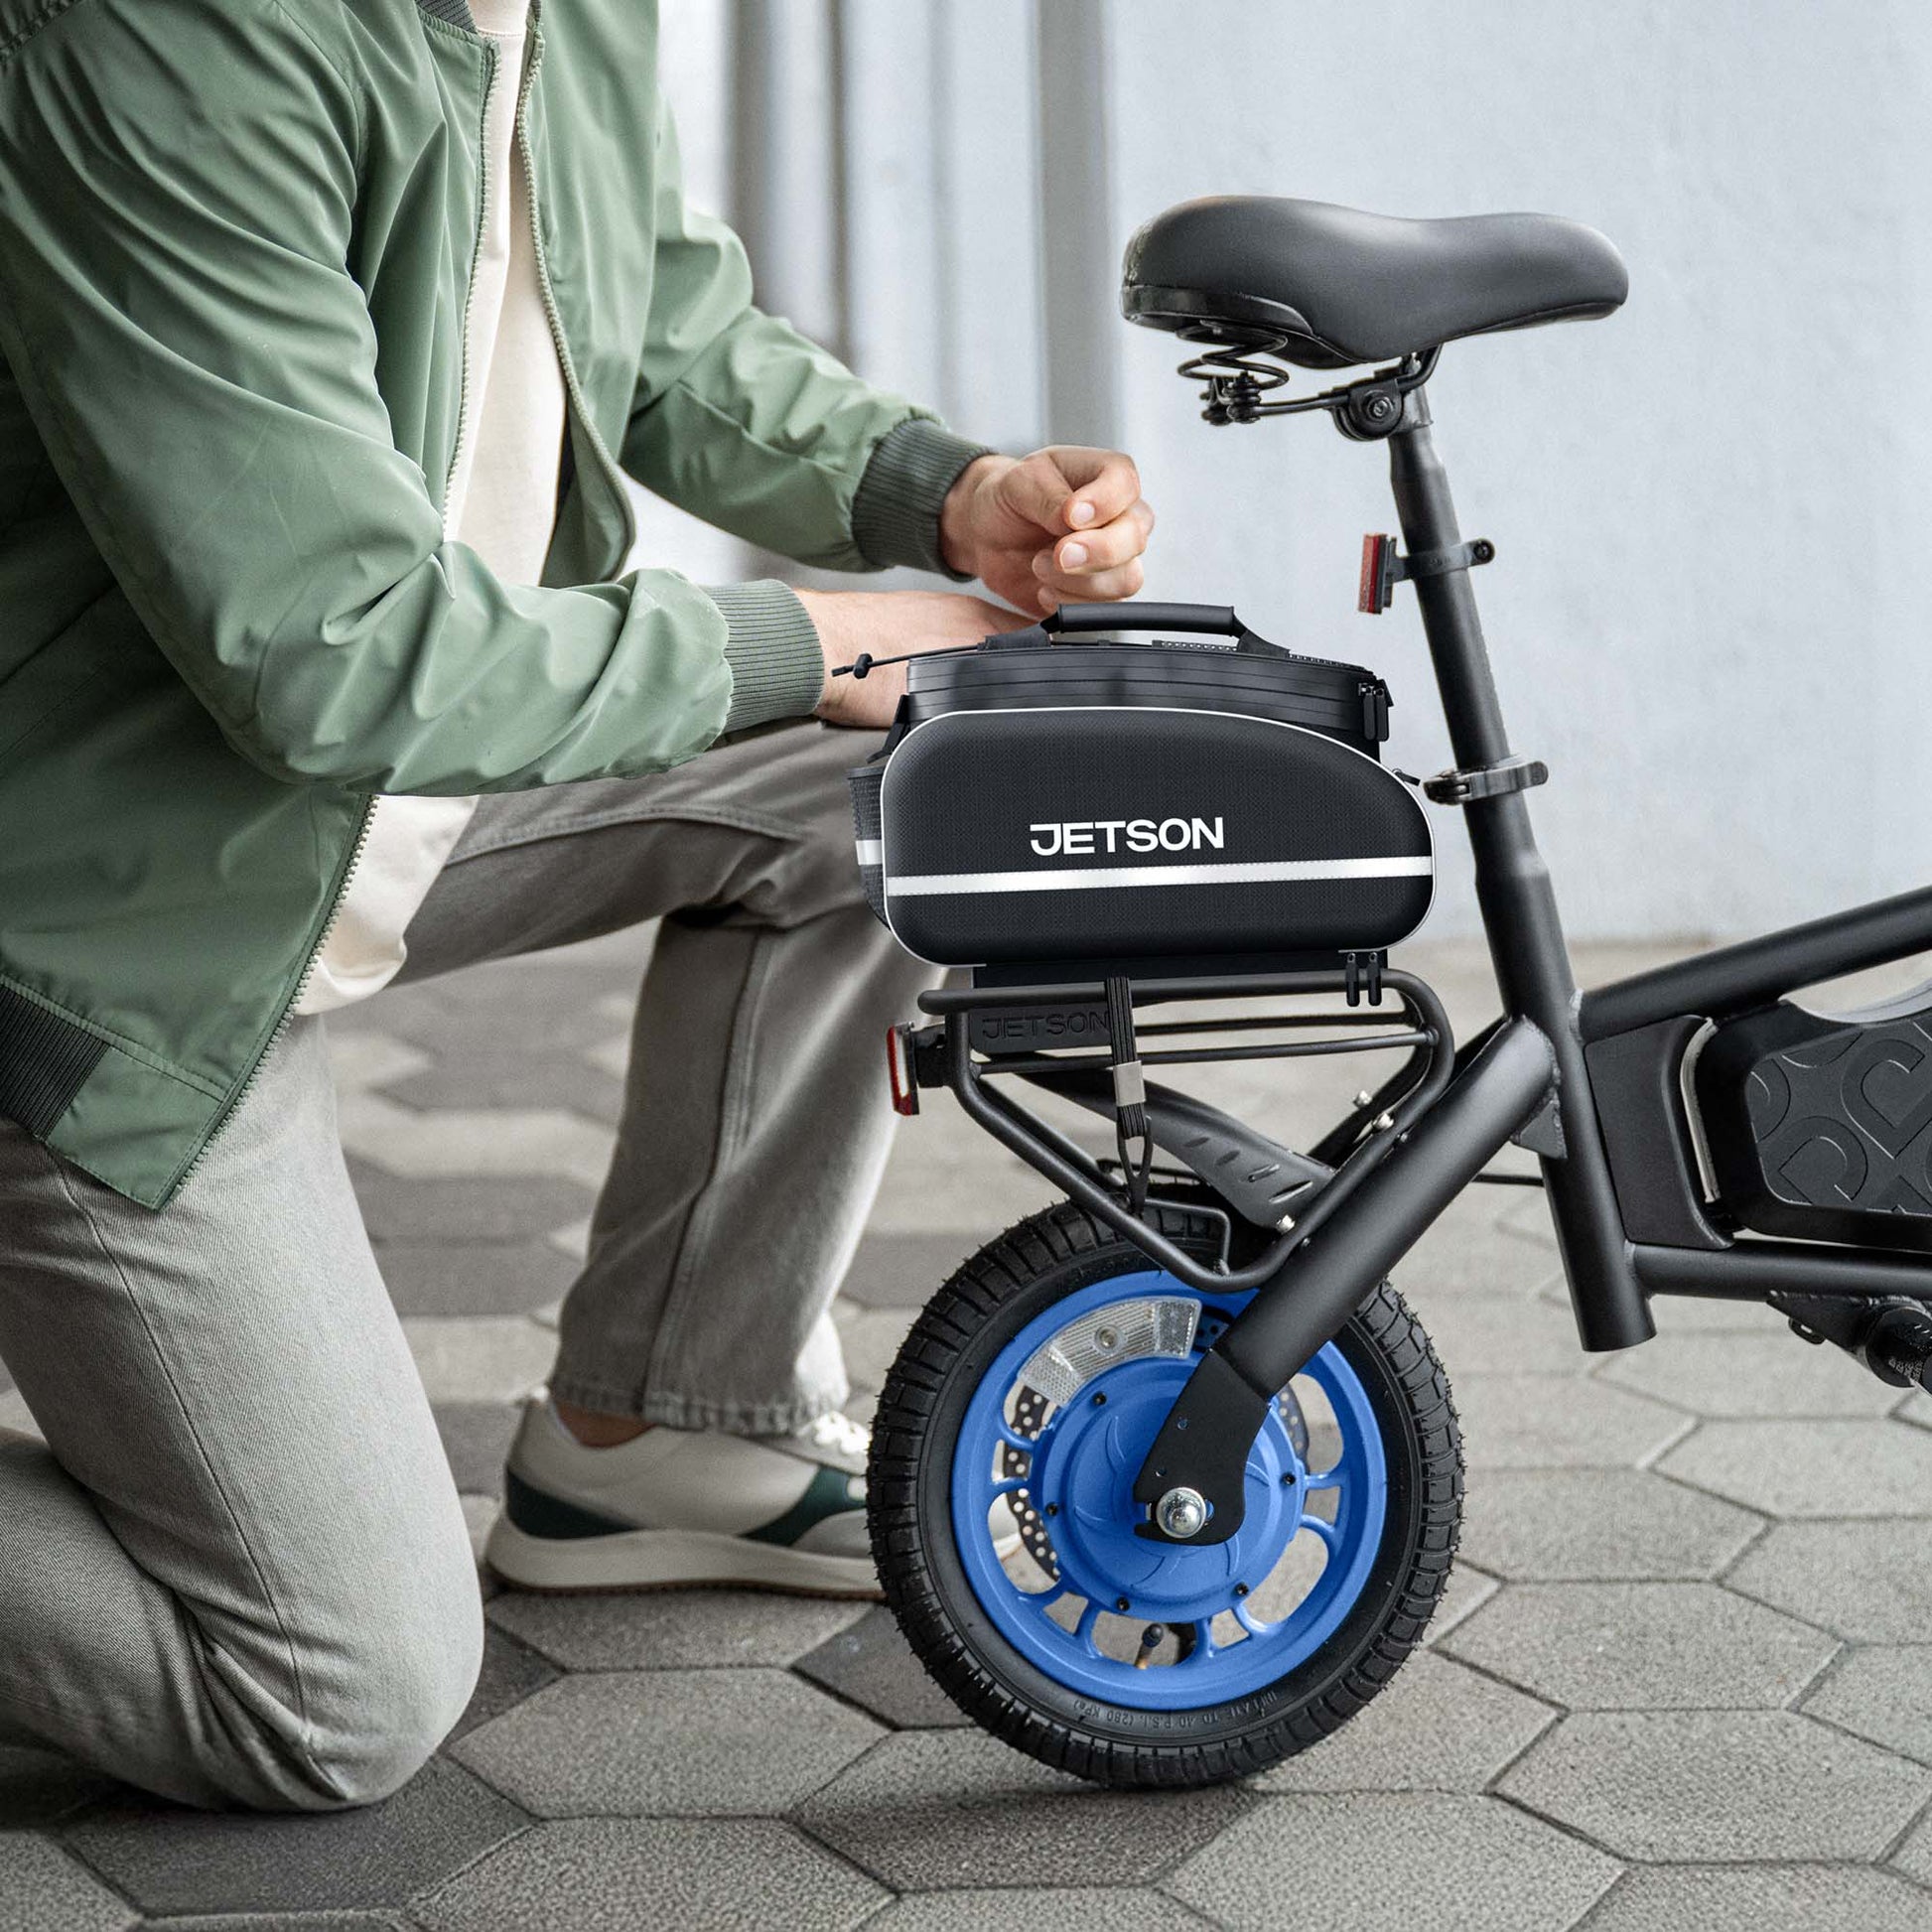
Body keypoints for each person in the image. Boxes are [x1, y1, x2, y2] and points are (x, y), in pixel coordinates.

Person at [0, 0, 1155, 1811]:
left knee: (902, 788)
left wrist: (946, 497)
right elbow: (333, 653)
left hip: (343, 803)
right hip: (96, 933)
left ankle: (666, 1428)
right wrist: (824, 636)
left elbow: (659, 332)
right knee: (330, 1697)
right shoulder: (166, 45)